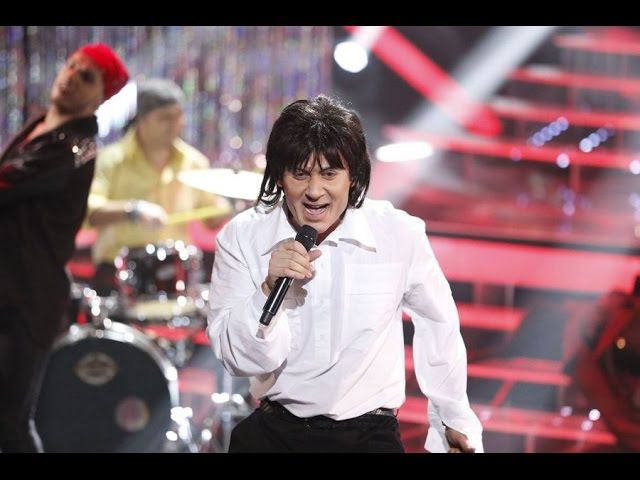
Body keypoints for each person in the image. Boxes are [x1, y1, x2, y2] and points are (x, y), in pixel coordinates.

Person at [207, 94, 483, 453]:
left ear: (353, 175)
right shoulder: (242, 237)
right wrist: (268, 289)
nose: (314, 191)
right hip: (275, 431)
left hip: (368, 435)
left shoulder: (398, 234)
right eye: (300, 173)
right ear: (279, 175)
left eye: (329, 173)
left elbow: (438, 325)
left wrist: (452, 418)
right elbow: (239, 360)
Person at [0, 43, 129, 452]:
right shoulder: (42, 126)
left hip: (25, 301)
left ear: (101, 97)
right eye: (72, 65)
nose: (71, 76)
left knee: (10, 425)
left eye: (86, 76)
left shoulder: (75, 145)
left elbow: (7, 185)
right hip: (9, 290)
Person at [85, 78, 231, 295]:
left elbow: (211, 219)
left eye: (178, 116)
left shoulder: (194, 162)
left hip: (176, 273)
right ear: (142, 119)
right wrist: (132, 210)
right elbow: (88, 210)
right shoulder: (111, 160)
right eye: (165, 118)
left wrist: (226, 208)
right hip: (117, 273)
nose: (175, 124)